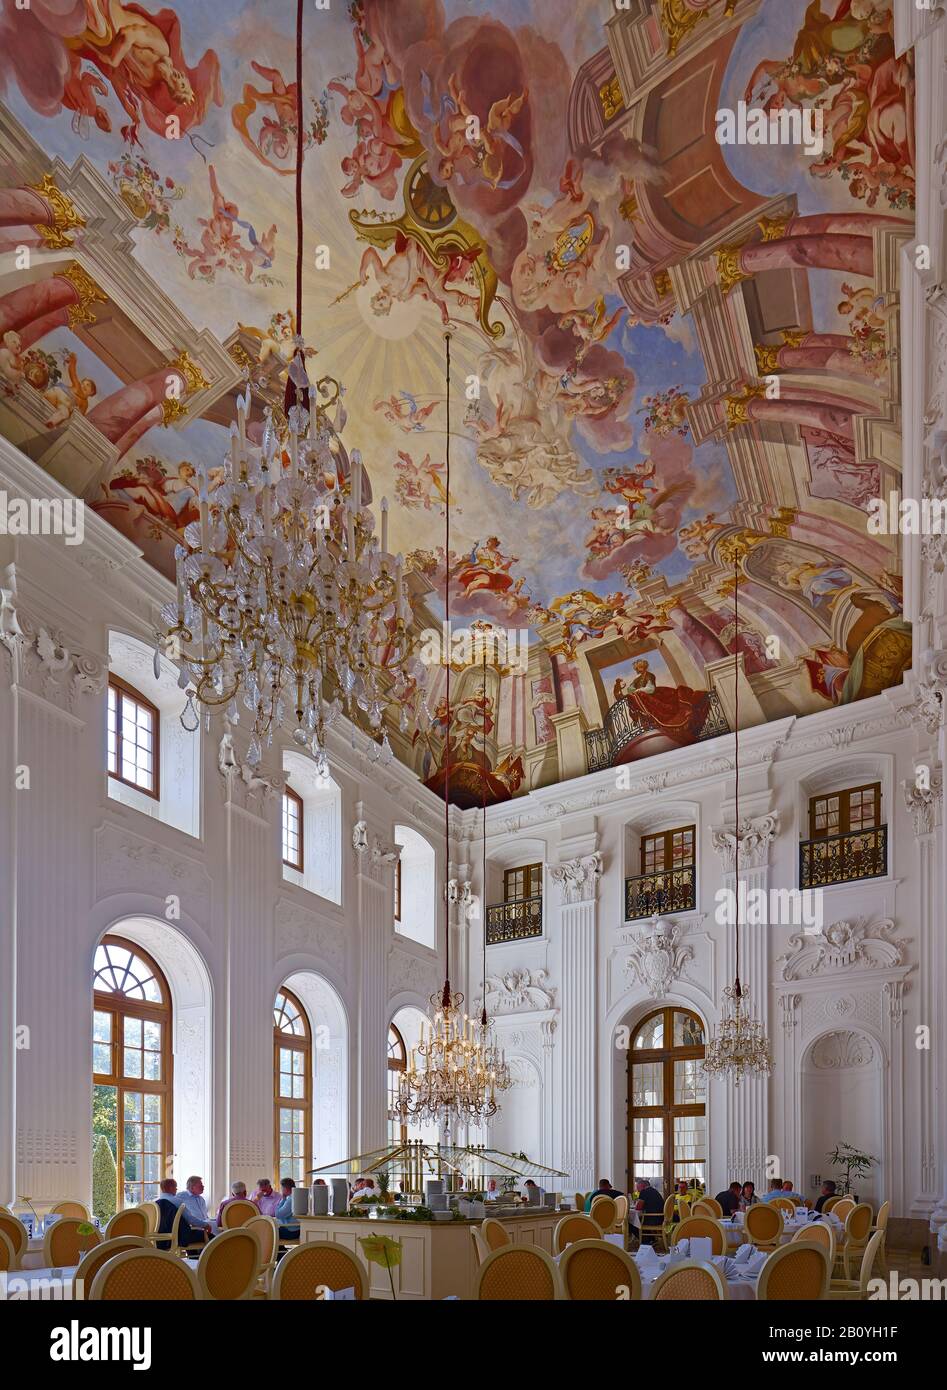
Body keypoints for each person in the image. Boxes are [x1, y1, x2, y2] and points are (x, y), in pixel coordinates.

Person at [178, 1175, 213, 1240]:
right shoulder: (181, 1197)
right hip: (191, 1228)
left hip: (203, 1226)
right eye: (200, 1185)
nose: (203, 1187)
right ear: (192, 1187)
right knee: (214, 1239)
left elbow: (204, 1216)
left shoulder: (201, 1199)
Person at [634, 1178, 664, 1245]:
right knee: (638, 1219)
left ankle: (646, 1241)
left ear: (642, 1186)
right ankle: (651, 1239)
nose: (637, 1190)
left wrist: (637, 1202)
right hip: (660, 1218)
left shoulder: (644, 1192)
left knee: (632, 1222)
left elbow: (638, 1207)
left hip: (653, 1219)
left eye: (637, 1187)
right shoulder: (654, 1191)